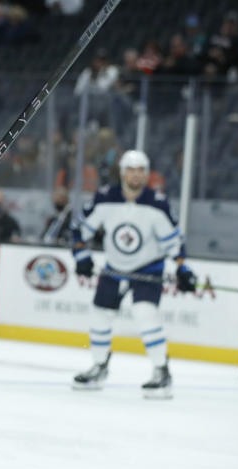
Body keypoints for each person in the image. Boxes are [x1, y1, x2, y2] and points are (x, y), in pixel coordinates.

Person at [70, 150, 197, 398]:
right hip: (114, 267)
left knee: (145, 314)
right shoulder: (106, 198)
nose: (136, 175)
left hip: (148, 268)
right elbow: (80, 231)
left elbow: (174, 242)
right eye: (131, 169)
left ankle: (161, 372)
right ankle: (99, 366)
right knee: (100, 316)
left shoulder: (157, 203)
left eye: (141, 170)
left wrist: (182, 269)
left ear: (147, 174)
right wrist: (82, 257)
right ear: (122, 171)